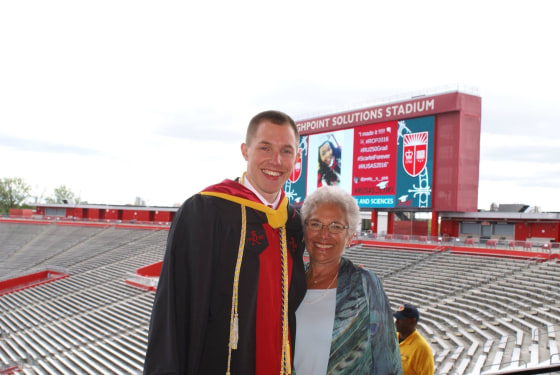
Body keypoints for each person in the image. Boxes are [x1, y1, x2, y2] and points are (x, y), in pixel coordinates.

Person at [143, 110, 307, 375]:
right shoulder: (206, 212)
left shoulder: (292, 222)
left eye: (286, 151)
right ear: (245, 151)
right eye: (265, 148)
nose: (276, 161)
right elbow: (173, 312)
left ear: (297, 158)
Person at [294, 186, 402, 374]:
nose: (324, 234)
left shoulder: (366, 285)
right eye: (315, 223)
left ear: (350, 236)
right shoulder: (289, 281)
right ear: (304, 231)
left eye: (336, 226)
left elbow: (387, 358)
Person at [393, 303, 434, 375]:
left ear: (412, 321)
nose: (396, 322)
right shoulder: (392, 338)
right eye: (397, 319)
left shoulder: (422, 349)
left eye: (400, 319)